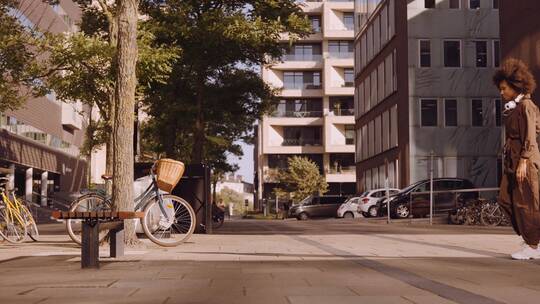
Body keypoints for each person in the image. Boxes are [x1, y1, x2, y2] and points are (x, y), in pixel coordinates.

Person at [494, 58, 540, 260]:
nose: (501, 92)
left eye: (504, 88)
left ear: (515, 85)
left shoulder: (526, 106)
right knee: (505, 199)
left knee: (526, 203)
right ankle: (530, 237)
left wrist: (523, 161)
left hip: (525, 162)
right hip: (512, 161)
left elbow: (530, 135)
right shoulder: (515, 107)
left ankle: (533, 245)